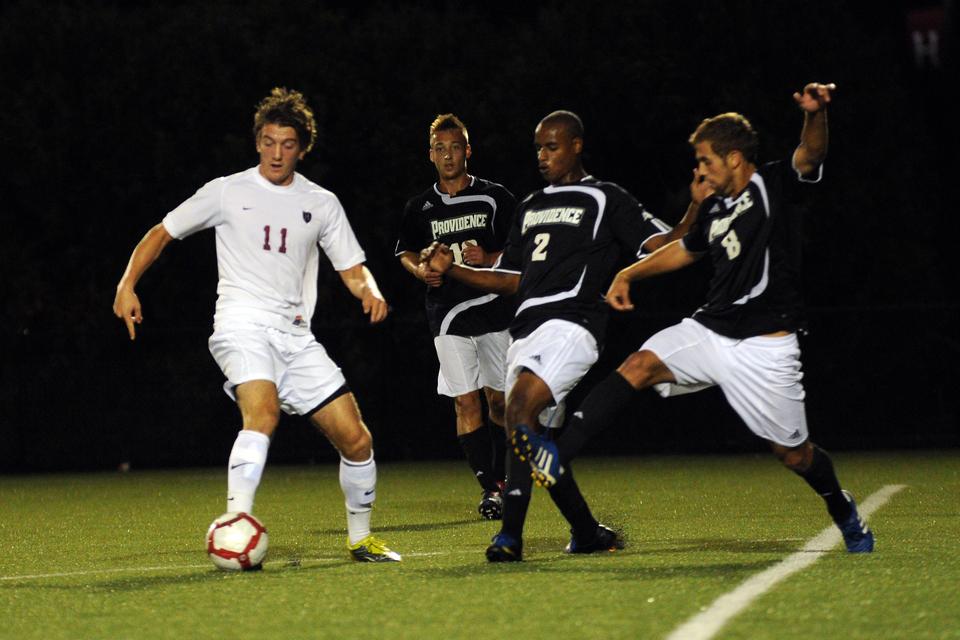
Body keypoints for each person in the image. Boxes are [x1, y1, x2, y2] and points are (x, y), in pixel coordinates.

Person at [514, 83, 875, 553]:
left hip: (765, 343)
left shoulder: (771, 184)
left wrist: (815, 113)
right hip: (709, 329)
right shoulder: (716, 207)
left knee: (793, 453)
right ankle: (556, 456)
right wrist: (627, 274)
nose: (699, 169)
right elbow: (684, 251)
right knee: (639, 364)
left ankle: (840, 505)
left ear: (734, 158)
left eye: (706, 160)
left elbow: (811, 153)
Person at [113, 87, 401, 563]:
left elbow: (351, 267)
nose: (276, 152)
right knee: (262, 413)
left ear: (302, 148)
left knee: (357, 439)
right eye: (268, 141)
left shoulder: (322, 202)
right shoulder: (227, 191)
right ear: (257, 142)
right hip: (241, 324)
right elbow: (162, 233)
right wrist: (127, 284)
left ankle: (361, 538)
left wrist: (370, 290)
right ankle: (235, 520)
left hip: (295, 336)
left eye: (287, 144)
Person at [423, 110, 699, 561]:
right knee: (533, 441)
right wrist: (453, 269)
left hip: (574, 326)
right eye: (538, 148)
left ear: (575, 146)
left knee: (517, 413)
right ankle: (587, 531)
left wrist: (695, 206)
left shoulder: (605, 198)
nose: (543, 156)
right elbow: (510, 278)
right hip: (525, 334)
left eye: (552, 147)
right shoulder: (529, 207)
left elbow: (666, 244)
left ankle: (509, 538)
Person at [395, 114, 515, 520]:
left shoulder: (495, 197)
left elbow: (522, 248)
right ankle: (492, 488)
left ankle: (503, 477)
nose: (448, 155)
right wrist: (420, 271)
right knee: (465, 402)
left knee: (499, 400)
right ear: (431, 154)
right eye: (440, 148)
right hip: (446, 314)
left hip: (493, 310)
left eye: (456, 147)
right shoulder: (420, 207)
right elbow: (406, 253)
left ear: (468, 150)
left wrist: (494, 256)